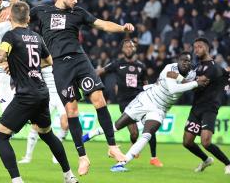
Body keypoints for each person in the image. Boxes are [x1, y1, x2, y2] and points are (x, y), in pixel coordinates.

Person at [30, 0, 133, 175]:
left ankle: (112, 147)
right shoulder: (42, 11)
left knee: (99, 100)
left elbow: (102, 24)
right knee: (71, 111)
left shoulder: (78, 13)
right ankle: (82, 157)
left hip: (80, 60)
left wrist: (122, 28)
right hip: (59, 65)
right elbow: (20, 17)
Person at [0, 2, 78, 183]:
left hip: (26, 95)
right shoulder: (37, 37)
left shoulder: (11, 36)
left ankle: (17, 180)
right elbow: (49, 61)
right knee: (47, 134)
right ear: (28, 19)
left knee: (0, 137)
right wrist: (17, 65)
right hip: (41, 92)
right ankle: (69, 176)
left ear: (10, 17)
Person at [83, 52, 208, 172]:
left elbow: (200, 80)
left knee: (146, 135)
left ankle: (121, 163)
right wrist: (195, 83)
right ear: (178, 61)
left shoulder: (191, 74)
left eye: (188, 60)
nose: (186, 63)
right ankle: (86, 136)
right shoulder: (169, 68)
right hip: (146, 100)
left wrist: (195, 81)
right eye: (183, 60)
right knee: (116, 127)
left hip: (160, 109)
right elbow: (173, 89)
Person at [97, 39, 162, 167]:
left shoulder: (141, 66)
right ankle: (133, 145)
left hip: (141, 101)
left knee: (150, 128)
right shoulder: (117, 64)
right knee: (134, 133)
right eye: (126, 46)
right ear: (122, 49)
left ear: (134, 49)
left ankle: (154, 158)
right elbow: (100, 71)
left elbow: (145, 84)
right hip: (125, 102)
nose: (129, 48)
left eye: (131, 46)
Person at [183, 37, 230, 175]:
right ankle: (206, 160)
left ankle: (228, 163)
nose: (196, 49)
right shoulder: (197, 67)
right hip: (196, 108)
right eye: (195, 47)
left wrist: (178, 80)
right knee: (187, 142)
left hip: (209, 108)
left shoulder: (213, 67)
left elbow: (199, 83)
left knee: (206, 142)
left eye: (199, 46)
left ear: (207, 48)